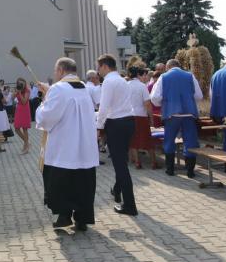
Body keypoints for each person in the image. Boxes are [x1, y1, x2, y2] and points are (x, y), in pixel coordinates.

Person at [36, 58, 99, 230]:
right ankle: (82, 218)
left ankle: (64, 216)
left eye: (56, 70)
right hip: (84, 147)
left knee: (62, 184)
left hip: (64, 148)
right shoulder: (84, 88)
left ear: (61, 70)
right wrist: (49, 92)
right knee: (82, 184)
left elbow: (47, 117)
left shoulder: (58, 89)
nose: (55, 74)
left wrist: (44, 100)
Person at [96, 54, 137, 216]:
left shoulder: (108, 81)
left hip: (116, 124)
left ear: (105, 66)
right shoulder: (121, 80)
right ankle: (117, 190)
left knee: (120, 166)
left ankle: (130, 205)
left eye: (99, 67)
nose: (98, 71)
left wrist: (99, 127)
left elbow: (104, 107)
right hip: (128, 121)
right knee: (122, 161)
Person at [151, 58, 203, 178]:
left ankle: (170, 169)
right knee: (190, 141)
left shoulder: (163, 77)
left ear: (167, 67)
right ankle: (190, 171)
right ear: (179, 66)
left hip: (171, 113)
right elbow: (198, 95)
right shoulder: (190, 76)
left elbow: (154, 97)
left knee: (169, 140)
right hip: (189, 113)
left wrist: (163, 104)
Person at [127, 65, 156, 169]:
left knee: (133, 140)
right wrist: (151, 118)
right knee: (147, 139)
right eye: (144, 75)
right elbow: (147, 103)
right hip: (141, 115)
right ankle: (153, 162)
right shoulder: (142, 86)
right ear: (138, 75)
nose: (146, 77)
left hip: (129, 116)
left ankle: (137, 162)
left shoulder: (126, 85)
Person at [13, 77, 32, 154]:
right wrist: (15, 92)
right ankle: (27, 143)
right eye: (19, 83)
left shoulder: (27, 90)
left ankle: (26, 146)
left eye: (22, 83)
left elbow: (24, 101)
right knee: (16, 128)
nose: (20, 85)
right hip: (18, 109)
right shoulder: (17, 89)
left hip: (25, 109)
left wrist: (20, 93)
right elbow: (13, 98)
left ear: (24, 83)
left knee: (24, 128)